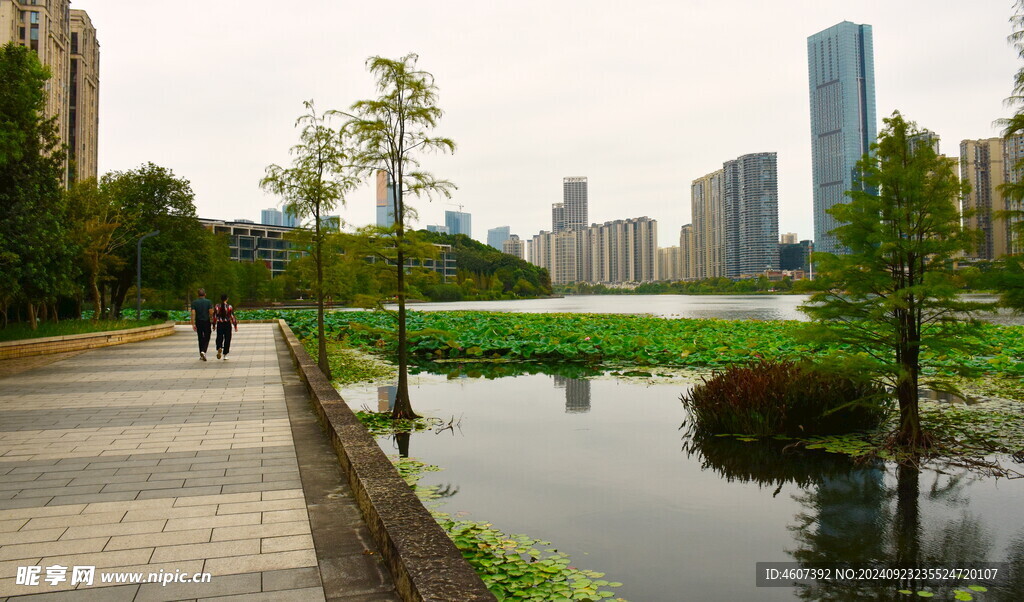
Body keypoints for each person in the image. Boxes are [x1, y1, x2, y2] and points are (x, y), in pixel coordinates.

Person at [190, 288, 214, 361]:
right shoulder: (208, 302)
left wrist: (193, 323)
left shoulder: (194, 303)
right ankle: (204, 351)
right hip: (206, 321)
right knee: (207, 336)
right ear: (205, 294)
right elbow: (211, 313)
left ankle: (201, 352)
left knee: (200, 337)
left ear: (198, 295)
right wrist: (213, 321)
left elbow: (193, 313)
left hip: (198, 321)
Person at [213, 293, 238, 360]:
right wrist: (235, 325)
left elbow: (215, 316)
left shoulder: (217, 306)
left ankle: (219, 347)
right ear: (227, 299)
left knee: (219, 337)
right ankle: (225, 354)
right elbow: (232, 316)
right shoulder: (229, 307)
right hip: (227, 324)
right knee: (227, 338)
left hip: (220, 324)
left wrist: (214, 325)